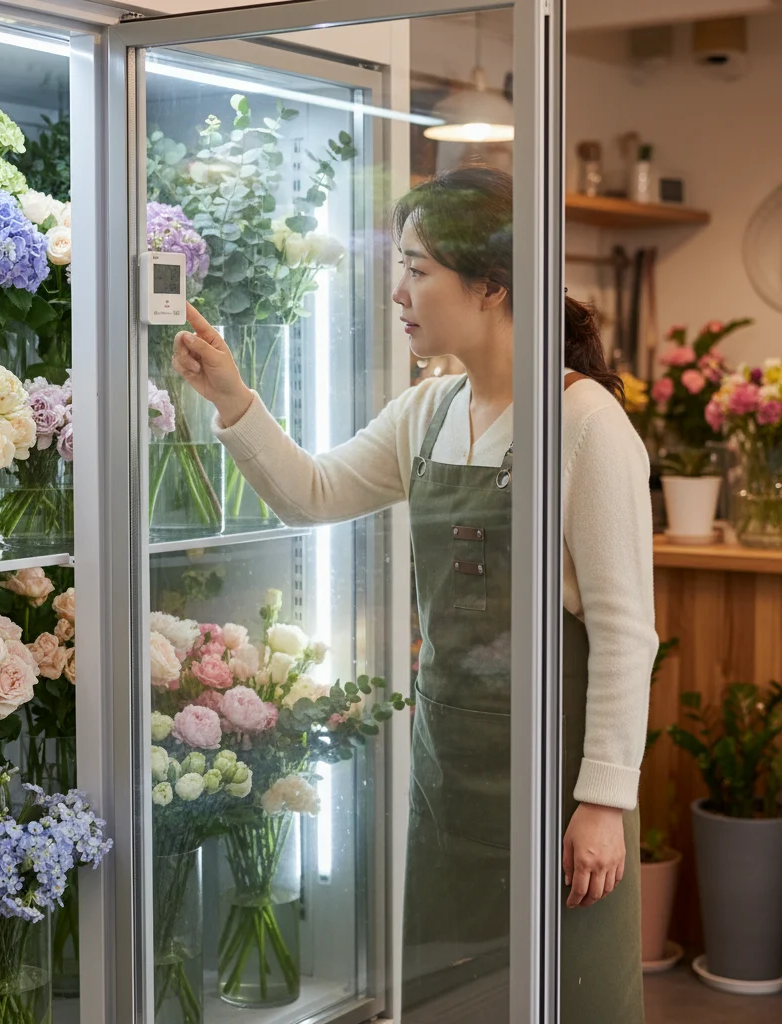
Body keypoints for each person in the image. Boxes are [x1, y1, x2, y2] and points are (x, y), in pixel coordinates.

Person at [171, 166, 657, 1023]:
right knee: (450, 1002)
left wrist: (604, 804)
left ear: (493, 285)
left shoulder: (585, 425)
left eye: (419, 268)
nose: (399, 291)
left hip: (558, 786)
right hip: (449, 781)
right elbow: (311, 493)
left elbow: (624, 635)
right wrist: (234, 398)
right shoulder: (428, 410)